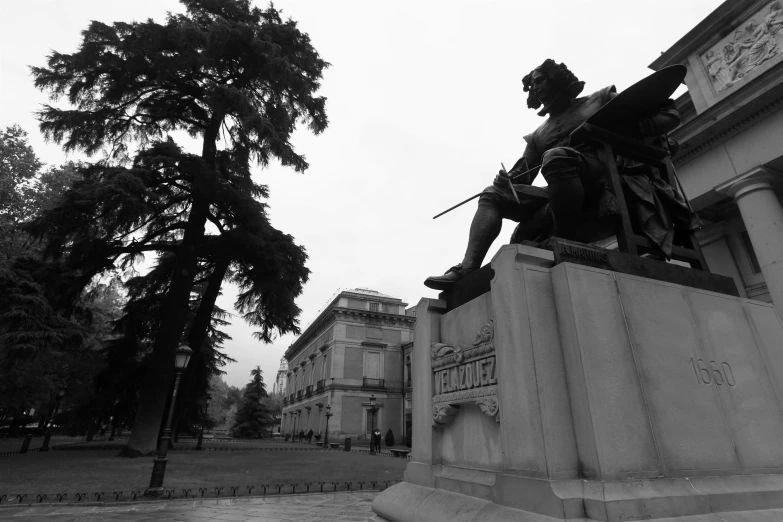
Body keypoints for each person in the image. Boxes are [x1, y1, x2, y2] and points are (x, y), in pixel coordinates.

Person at [424, 58, 689, 290]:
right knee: (492, 194)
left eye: (539, 81)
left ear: (557, 80)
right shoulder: (539, 134)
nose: (536, 88)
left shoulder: (600, 99)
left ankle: (567, 242)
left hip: (603, 176)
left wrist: (629, 126)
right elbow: (523, 176)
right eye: (533, 86)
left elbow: (669, 115)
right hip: (559, 185)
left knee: (556, 156)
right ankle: (467, 268)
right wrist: (508, 180)